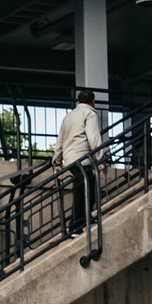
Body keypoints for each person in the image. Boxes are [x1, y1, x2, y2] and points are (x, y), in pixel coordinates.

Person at [55, 89, 102, 235]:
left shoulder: (68, 116)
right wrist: (101, 159)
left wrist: (56, 162)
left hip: (69, 159)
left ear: (78, 101)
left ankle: (82, 219)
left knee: (83, 188)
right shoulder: (90, 113)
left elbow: (60, 140)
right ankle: (75, 225)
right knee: (87, 189)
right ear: (92, 101)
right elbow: (94, 138)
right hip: (81, 158)